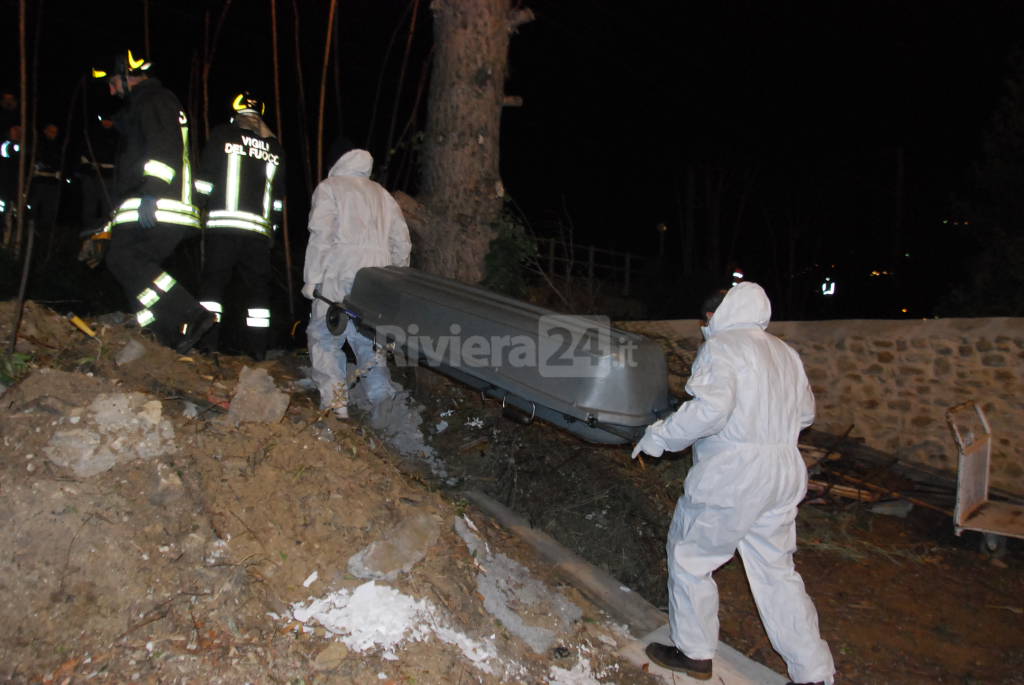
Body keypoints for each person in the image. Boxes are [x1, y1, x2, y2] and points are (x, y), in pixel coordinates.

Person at [632, 282, 835, 685]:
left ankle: (694, 652)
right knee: (777, 571)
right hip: (783, 468)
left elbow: (710, 410)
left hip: (735, 472)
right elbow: (806, 414)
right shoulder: (784, 352)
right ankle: (814, 672)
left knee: (690, 557)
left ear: (713, 316)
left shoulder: (723, 346)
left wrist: (658, 438)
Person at [91, 49, 213, 354]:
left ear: (127, 75)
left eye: (112, 81)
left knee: (124, 260)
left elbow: (164, 148)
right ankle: (159, 335)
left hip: (162, 204)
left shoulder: (155, 99)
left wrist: (153, 191)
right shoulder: (146, 104)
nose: (110, 89)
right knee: (132, 267)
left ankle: (190, 314)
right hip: (150, 203)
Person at [302, 149, 411, 418]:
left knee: (325, 335)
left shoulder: (331, 187)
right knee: (369, 338)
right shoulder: (383, 195)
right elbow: (402, 241)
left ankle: (336, 402)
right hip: (378, 275)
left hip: (339, 268)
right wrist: (396, 273)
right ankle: (382, 401)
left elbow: (321, 235)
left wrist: (312, 278)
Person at [193, 91, 285, 360]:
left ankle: (206, 346)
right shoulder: (275, 148)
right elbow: (278, 199)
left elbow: (205, 179)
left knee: (213, 287)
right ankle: (257, 352)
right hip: (258, 233)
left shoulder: (223, 135)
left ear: (235, 113)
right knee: (258, 295)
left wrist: (197, 208)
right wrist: (273, 231)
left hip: (223, 227)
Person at [28, 122, 63, 238]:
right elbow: (37, 159)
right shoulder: (37, 144)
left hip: (53, 182)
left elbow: (60, 163)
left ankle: (46, 233)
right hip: (39, 181)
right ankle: (30, 230)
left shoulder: (59, 146)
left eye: (55, 132)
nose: (53, 134)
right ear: (45, 131)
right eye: (51, 131)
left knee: (50, 209)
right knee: (35, 206)